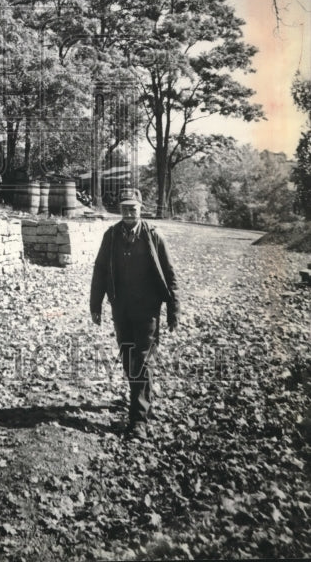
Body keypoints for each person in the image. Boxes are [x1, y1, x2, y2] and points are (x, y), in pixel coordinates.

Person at [90, 188, 179, 438]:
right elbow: (99, 271)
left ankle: (139, 419)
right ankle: (139, 396)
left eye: (133, 208)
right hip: (121, 308)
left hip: (148, 310)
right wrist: (95, 305)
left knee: (142, 359)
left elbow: (169, 274)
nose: (129, 212)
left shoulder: (153, 236)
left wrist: (174, 309)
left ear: (141, 209)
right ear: (120, 210)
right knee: (129, 357)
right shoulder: (111, 235)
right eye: (125, 208)